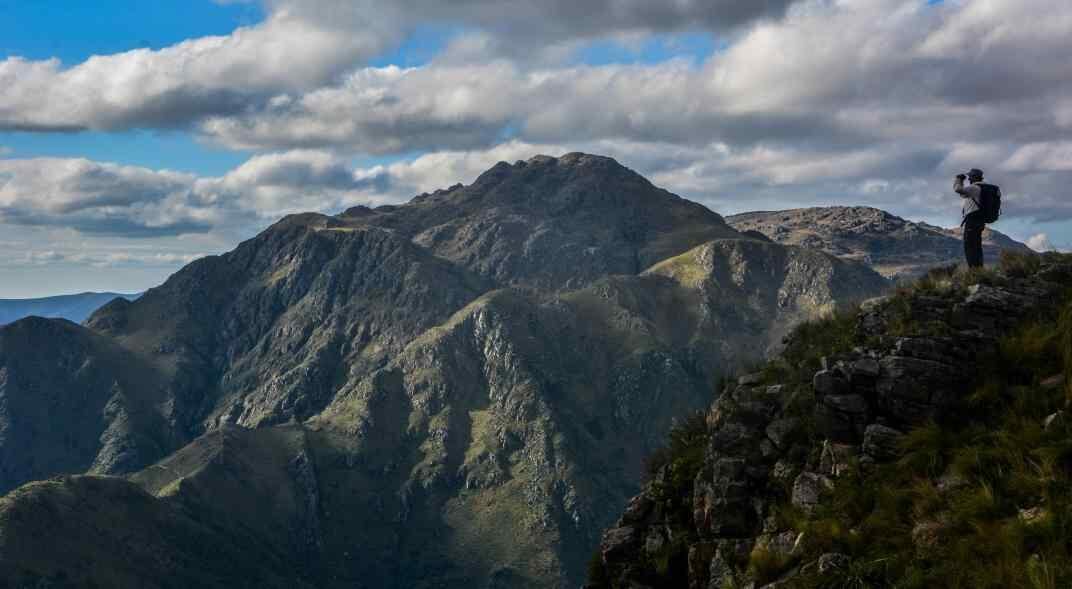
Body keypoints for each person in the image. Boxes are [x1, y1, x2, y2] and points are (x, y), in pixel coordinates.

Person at [954, 168, 998, 268]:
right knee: (977, 246)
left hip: (972, 220)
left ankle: (974, 271)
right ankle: (979, 270)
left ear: (973, 177)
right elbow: (964, 195)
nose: (968, 179)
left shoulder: (974, 188)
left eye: (970, 177)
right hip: (980, 221)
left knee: (970, 246)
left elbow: (958, 189)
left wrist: (959, 179)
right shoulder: (982, 188)